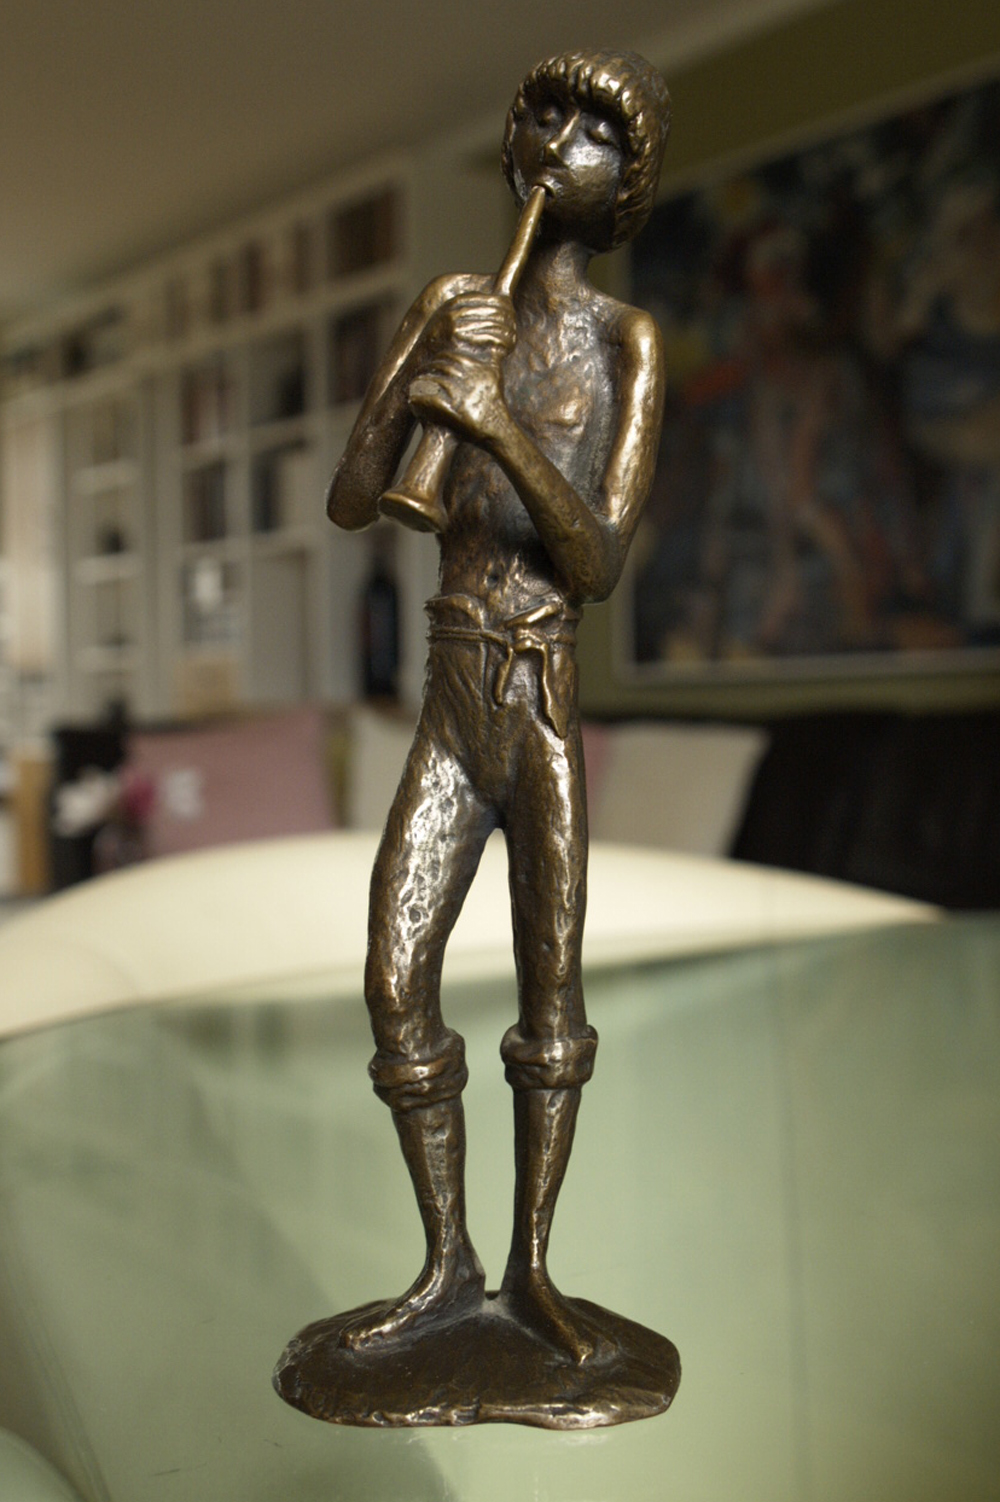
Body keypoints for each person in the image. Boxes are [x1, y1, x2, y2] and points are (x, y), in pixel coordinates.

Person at [327, 50, 670, 1365]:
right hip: (449, 697)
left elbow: (597, 559)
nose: (556, 140)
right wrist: (417, 377)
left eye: (593, 131)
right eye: (543, 114)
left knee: (551, 999)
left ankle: (533, 1269)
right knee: (393, 979)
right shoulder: (454, 304)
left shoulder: (627, 342)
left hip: (537, 699)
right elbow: (354, 499)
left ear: (625, 179)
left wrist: (499, 426)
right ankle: (446, 1266)